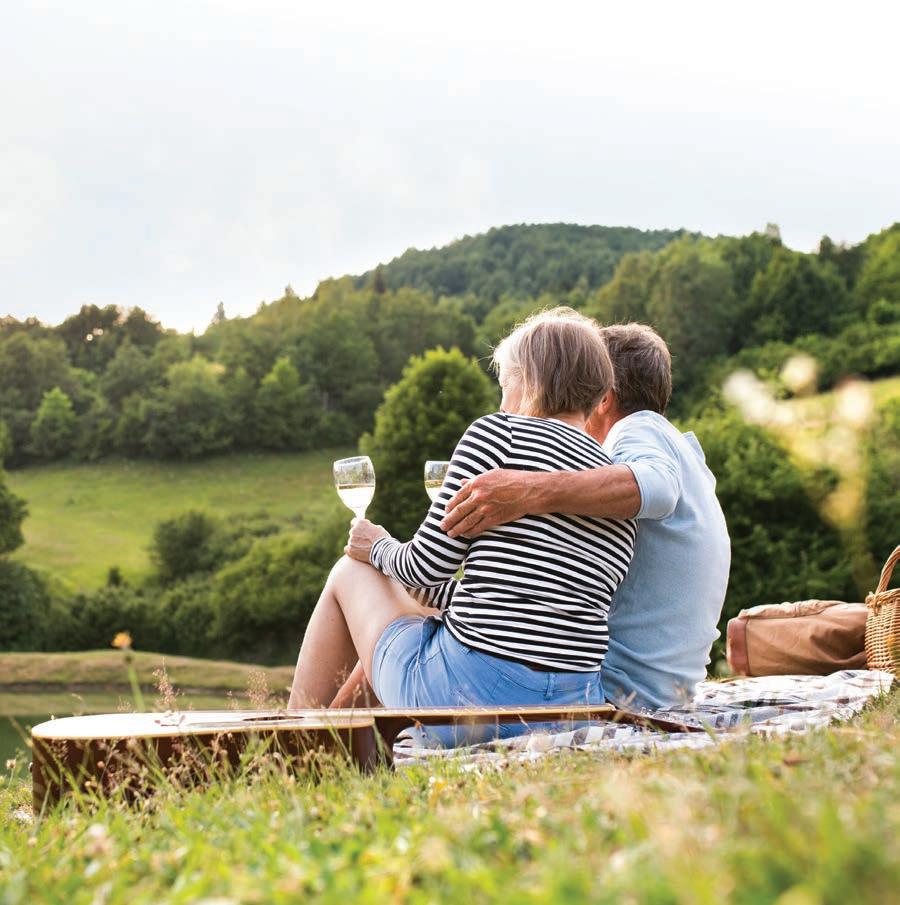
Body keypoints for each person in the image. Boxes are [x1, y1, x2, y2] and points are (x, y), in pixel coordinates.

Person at [288, 309, 636, 733]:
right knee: (420, 613)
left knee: (350, 571)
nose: (502, 402)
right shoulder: (611, 479)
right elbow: (543, 602)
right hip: (573, 708)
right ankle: (333, 748)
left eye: (505, 384)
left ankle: (289, 737)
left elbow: (422, 567)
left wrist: (374, 545)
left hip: (469, 699)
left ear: (530, 381)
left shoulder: (499, 435)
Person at [441, 323, 731, 711]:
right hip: (662, 690)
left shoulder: (636, 430)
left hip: (620, 690)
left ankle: (360, 732)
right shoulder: (682, 452)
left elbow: (658, 488)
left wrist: (528, 489)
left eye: (581, 392)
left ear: (604, 398)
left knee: (413, 607)